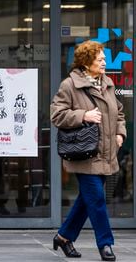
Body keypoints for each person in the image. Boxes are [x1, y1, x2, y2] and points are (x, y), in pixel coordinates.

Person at [50, 40, 126, 261]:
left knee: (87, 199)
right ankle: (106, 243)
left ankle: (63, 237)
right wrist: (83, 115)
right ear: (86, 61)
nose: (104, 61)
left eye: (104, 58)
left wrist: (120, 133)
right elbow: (57, 115)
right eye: (99, 58)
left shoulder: (108, 83)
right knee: (97, 200)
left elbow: (119, 112)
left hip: (106, 152)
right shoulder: (69, 85)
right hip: (84, 152)